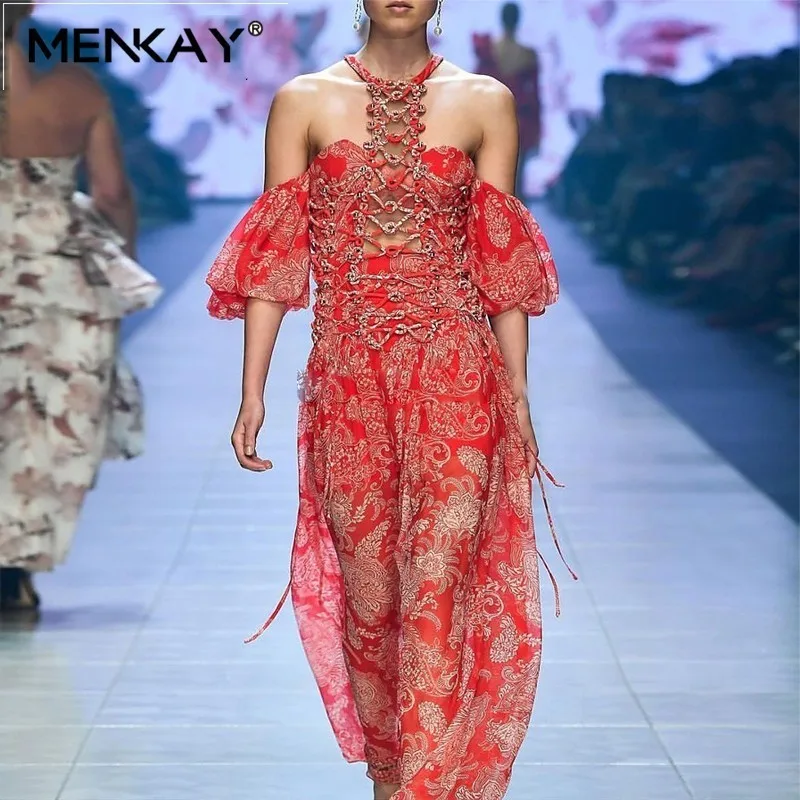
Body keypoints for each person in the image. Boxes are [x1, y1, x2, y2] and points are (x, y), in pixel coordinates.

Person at [205, 1, 575, 798]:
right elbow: (276, 254)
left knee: (439, 580)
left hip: (457, 374)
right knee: (373, 601)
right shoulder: (302, 101)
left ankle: (427, 786)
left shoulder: (486, 102)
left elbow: (499, 260)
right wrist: (251, 391)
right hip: (348, 384)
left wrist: (517, 392)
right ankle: (392, 777)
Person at [0, 3, 161, 611]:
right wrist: (126, 263)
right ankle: (16, 568)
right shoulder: (76, 88)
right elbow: (112, 192)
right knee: (44, 430)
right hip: (61, 278)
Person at [473, 1, 542, 199]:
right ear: (518, 20)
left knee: (490, 178)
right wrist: (537, 131)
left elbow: (477, 90)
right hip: (520, 121)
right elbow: (534, 98)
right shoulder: (528, 55)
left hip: (491, 119)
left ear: (502, 19)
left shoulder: (488, 51)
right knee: (516, 181)